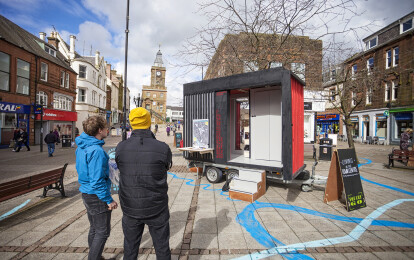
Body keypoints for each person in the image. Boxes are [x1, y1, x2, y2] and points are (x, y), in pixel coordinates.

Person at [116, 107, 172, 260]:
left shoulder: (121, 147)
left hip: (130, 206)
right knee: (162, 248)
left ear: (131, 123)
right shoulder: (162, 147)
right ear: (148, 122)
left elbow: (121, 167)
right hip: (156, 206)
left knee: (130, 248)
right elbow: (166, 166)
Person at [75, 116, 118, 260]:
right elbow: (97, 180)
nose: (108, 129)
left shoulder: (82, 146)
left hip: (86, 193)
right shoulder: (96, 151)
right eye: (106, 127)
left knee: (95, 228)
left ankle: (96, 256)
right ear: (100, 130)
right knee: (103, 231)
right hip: (96, 195)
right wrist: (108, 199)